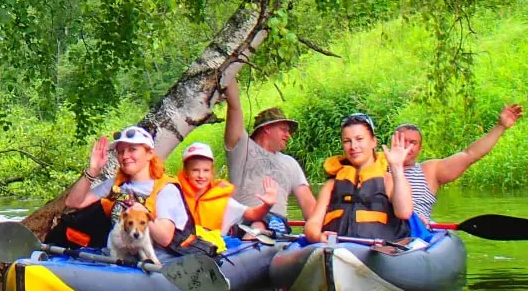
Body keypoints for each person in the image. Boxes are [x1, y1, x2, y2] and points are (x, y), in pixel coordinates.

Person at [48, 125, 188, 251]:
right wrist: (93, 170)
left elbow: (165, 238)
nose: (125, 156)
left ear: (149, 154)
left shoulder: (166, 189)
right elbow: (74, 202)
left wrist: (143, 213)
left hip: (152, 262)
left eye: (132, 149)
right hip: (117, 257)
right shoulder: (116, 184)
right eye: (121, 152)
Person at [392, 104, 524, 221]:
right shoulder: (377, 166)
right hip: (382, 235)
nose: (407, 146)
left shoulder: (430, 171)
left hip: (417, 235)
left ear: (420, 148)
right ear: (393, 142)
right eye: (403, 140)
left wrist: (500, 127)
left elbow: (469, 155)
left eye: (413, 143)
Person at [223, 67, 316, 232]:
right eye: (284, 129)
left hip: (278, 225)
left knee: (269, 225)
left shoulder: (290, 163)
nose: (288, 135)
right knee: (259, 224)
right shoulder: (241, 149)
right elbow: (234, 108)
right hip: (245, 222)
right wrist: (229, 68)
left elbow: (310, 206)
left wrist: (319, 231)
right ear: (267, 129)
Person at [145, 142, 279, 253]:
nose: (201, 176)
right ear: (185, 172)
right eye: (195, 170)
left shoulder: (224, 201)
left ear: (212, 172)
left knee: (258, 224)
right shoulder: (172, 194)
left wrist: (267, 205)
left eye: (206, 170)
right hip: (180, 250)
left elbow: (254, 214)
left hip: (211, 250)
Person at [304, 113, 414, 243]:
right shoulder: (332, 185)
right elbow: (313, 223)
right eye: (347, 141)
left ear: (374, 142)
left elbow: (404, 212)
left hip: (379, 253)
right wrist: (317, 236)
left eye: (359, 139)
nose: (353, 146)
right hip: (339, 248)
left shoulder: (389, 180)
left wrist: (396, 167)